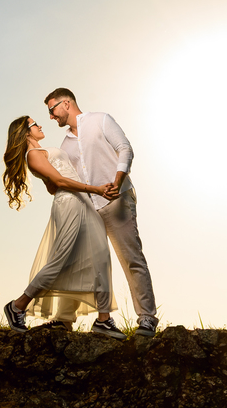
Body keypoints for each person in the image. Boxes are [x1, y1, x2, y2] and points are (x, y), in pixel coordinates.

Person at [44, 88, 160, 337]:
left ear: (66, 103)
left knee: (131, 259)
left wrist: (117, 182)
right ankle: (65, 320)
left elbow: (125, 149)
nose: (51, 117)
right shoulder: (65, 145)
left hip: (117, 202)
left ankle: (147, 318)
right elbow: (67, 181)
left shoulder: (101, 120)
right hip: (89, 209)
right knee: (79, 263)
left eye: (52, 110)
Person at [0, 115, 126, 339]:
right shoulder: (32, 155)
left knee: (101, 257)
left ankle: (104, 319)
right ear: (26, 132)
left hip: (83, 203)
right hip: (70, 204)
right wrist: (94, 189)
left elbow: (52, 184)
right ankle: (18, 306)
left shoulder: (44, 151)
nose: (39, 125)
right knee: (62, 261)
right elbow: (58, 184)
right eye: (34, 124)